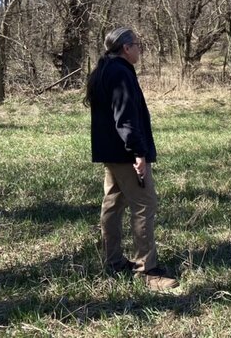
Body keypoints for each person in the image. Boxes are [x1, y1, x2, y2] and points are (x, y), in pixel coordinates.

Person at [84, 27, 178, 291]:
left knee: (113, 204)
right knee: (145, 203)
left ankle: (113, 261)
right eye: (137, 44)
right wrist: (138, 152)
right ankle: (147, 270)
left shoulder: (105, 69)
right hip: (125, 154)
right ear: (126, 48)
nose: (140, 48)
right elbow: (124, 118)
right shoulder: (120, 73)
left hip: (111, 154)